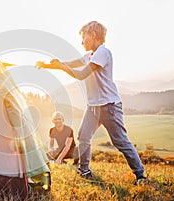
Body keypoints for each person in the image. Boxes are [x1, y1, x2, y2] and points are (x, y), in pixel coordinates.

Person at [37, 21, 147, 184]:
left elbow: (81, 74)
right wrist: (50, 65)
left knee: (120, 141)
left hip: (109, 106)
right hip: (94, 107)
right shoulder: (89, 55)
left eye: (83, 37)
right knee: (84, 136)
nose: (82, 42)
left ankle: (140, 175)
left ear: (93, 35)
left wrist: (61, 66)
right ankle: (84, 170)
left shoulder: (103, 53)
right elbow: (72, 64)